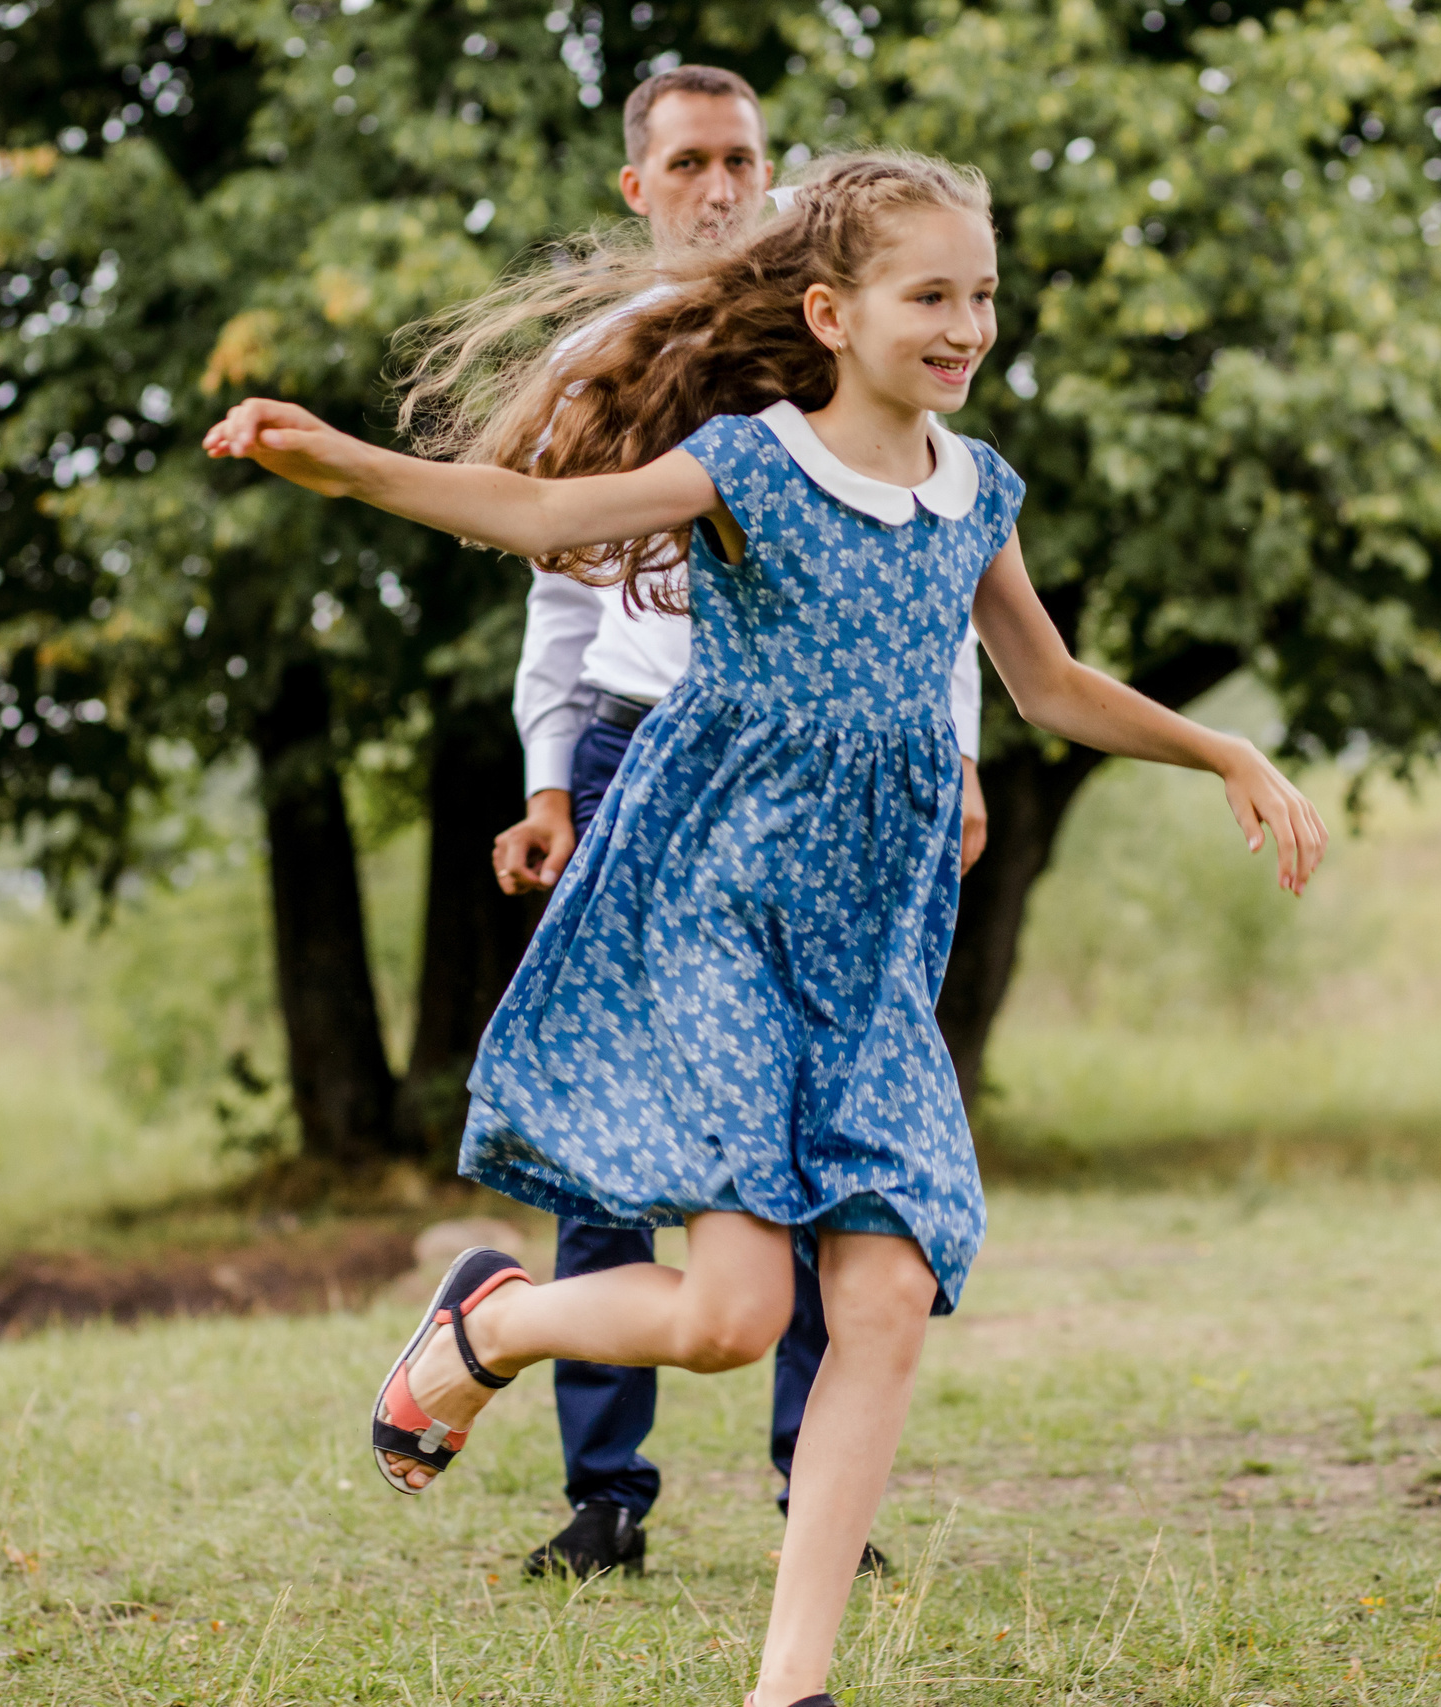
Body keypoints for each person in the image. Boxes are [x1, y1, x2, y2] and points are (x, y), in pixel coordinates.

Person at [206, 148, 1326, 1707]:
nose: (966, 325)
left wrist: (1223, 750)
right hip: (719, 909)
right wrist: (349, 466)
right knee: (738, 1318)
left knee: (883, 1294)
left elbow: (1052, 685)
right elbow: (540, 511)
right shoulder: (752, 465)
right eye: (930, 296)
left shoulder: (977, 492)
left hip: (871, 946)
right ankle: (495, 1325)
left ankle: (787, 1689)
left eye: (984, 295)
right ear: (831, 314)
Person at [491, 64, 989, 1583]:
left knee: (830, 1140)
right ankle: (605, 1492)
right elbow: (557, 576)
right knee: (624, 1141)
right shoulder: (619, 358)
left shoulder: (858, 335)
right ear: (638, 185)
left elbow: (922, 564)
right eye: (691, 162)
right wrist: (551, 776)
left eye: (744, 158)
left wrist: (961, 756)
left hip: (841, 786)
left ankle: (806, 1481)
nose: (721, 185)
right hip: (649, 754)